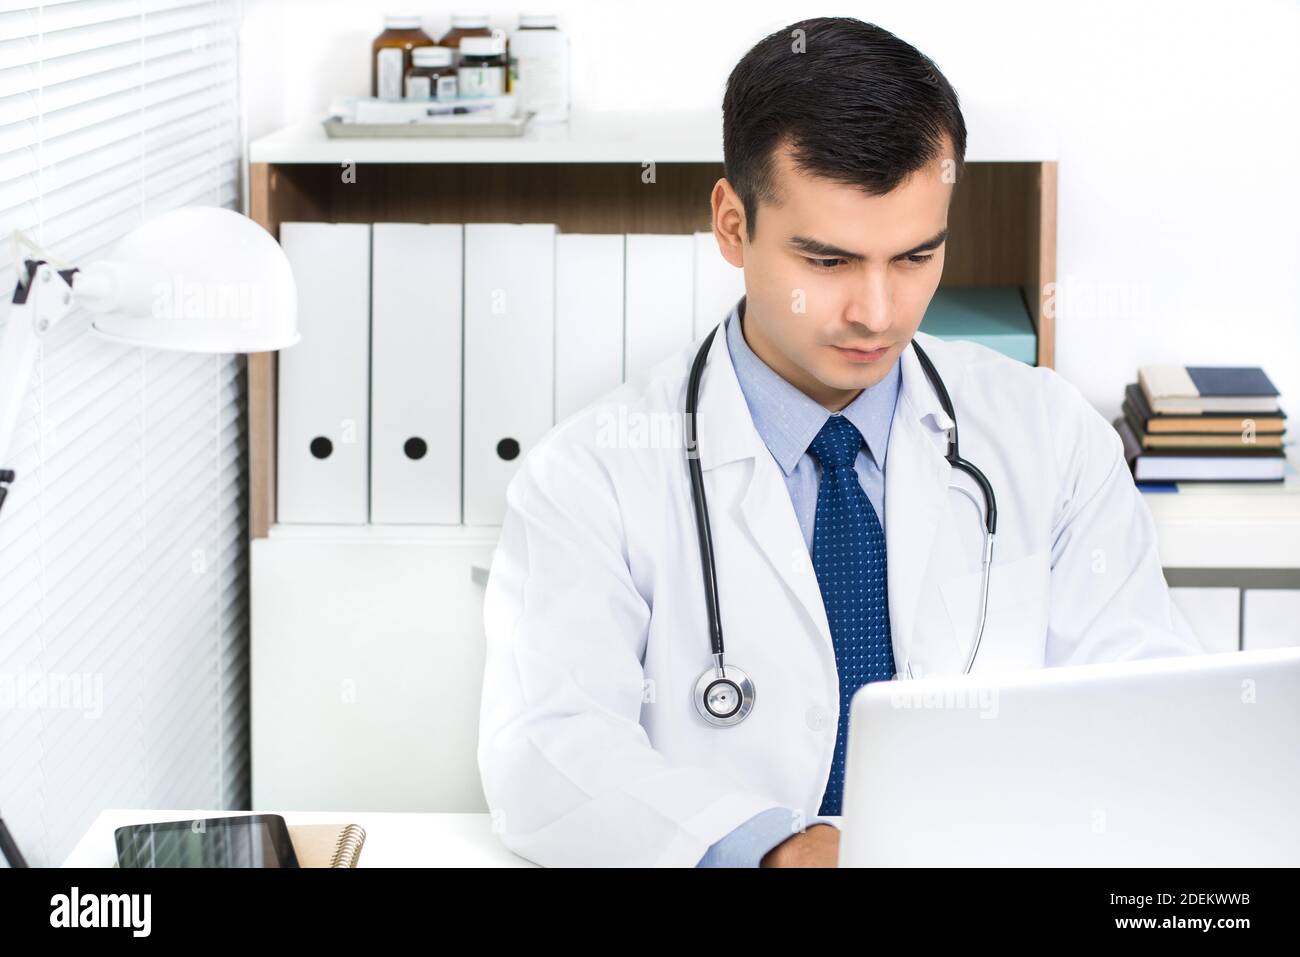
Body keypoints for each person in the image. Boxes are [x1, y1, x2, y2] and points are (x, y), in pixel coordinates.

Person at [477, 16, 1202, 868]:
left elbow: (1146, 701)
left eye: (914, 257)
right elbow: (547, 751)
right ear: (732, 224)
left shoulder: (1050, 437)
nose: (878, 313)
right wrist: (772, 846)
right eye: (827, 262)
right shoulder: (592, 472)